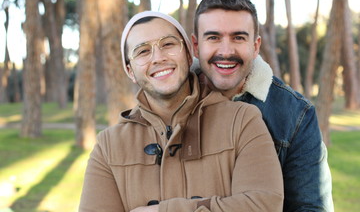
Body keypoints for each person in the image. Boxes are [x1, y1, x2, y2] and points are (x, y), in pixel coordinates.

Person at [79, 11, 284, 212]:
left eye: (168, 44)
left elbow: (264, 204)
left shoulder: (242, 121)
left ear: (188, 54)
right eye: (142, 51)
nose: (158, 58)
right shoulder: (109, 146)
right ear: (130, 71)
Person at [191, 0, 334, 211]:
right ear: (196, 46)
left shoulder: (296, 115)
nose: (226, 51)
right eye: (213, 37)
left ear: (255, 46)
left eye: (238, 37)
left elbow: (310, 206)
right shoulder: (173, 101)